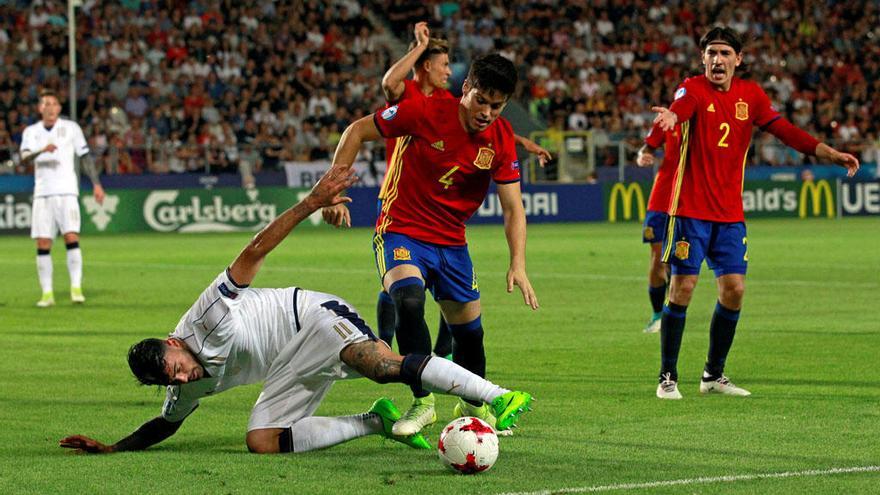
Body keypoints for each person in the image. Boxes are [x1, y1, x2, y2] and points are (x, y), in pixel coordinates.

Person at [58, 164, 532, 455]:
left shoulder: (205, 317)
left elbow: (254, 253)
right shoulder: (181, 383)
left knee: (385, 367)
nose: (183, 379)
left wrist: (310, 203)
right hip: (288, 363)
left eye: (177, 368)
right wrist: (113, 447)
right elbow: (164, 424)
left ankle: (499, 396)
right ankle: (379, 422)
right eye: (173, 381)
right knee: (262, 441)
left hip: (312, 318)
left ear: (175, 342)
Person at [323, 53, 539, 436]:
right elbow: (355, 131)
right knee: (408, 299)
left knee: (470, 335)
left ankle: (473, 407)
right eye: (481, 100)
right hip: (401, 228)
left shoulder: (501, 137)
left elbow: (512, 208)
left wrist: (517, 262)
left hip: (453, 242)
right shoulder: (423, 112)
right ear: (466, 88)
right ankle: (422, 402)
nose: (487, 112)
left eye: (497, 105)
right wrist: (333, 193)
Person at [650, 27, 859, 399]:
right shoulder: (692, 88)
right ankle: (667, 377)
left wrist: (829, 153)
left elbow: (786, 132)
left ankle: (713, 375)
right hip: (690, 212)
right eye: (712, 53)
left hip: (730, 215)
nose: (718, 60)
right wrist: (671, 118)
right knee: (683, 287)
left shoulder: (752, 95)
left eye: (725, 53)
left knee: (734, 290)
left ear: (738, 59)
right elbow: (681, 108)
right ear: (703, 58)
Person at [374, 22, 551, 359]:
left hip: (444, 221)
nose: (447, 70)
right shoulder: (415, 98)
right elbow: (389, 84)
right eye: (442, 64)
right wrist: (418, 47)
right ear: (425, 65)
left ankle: (443, 358)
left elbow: (482, 127)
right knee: (402, 290)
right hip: (402, 200)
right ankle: (388, 347)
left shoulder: (453, 103)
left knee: (439, 296)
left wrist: (521, 142)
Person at [19, 89, 106, 307]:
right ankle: (47, 294)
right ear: (40, 108)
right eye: (46, 103)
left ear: (59, 108)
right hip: (43, 193)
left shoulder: (71, 128)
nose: (50, 107)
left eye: (54, 103)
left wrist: (96, 184)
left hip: (67, 191)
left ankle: (76, 289)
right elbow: (24, 158)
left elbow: (85, 156)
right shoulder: (31, 132)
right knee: (43, 242)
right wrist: (42, 150)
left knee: (71, 237)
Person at [635, 122, 680, 333]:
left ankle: (674, 307)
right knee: (658, 256)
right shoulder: (668, 120)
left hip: (690, 198)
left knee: (678, 259)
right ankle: (657, 315)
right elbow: (648, 147)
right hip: (662, 198)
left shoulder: (710, 116)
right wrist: (643, 155)